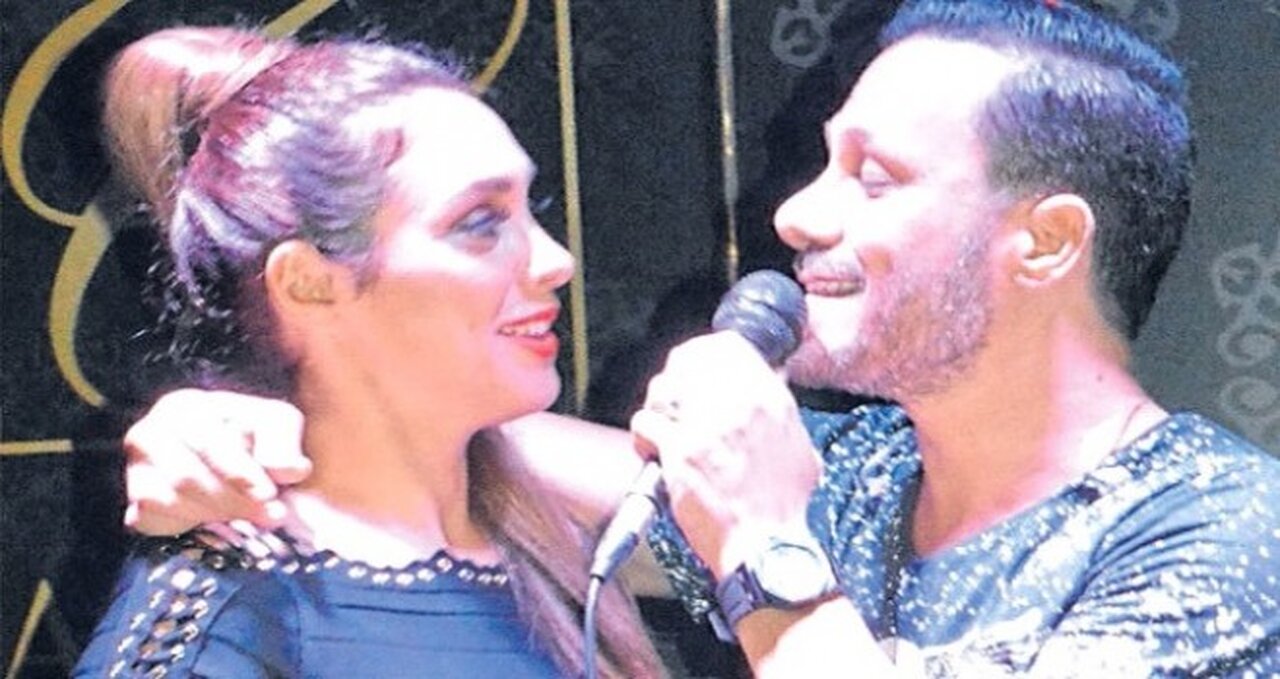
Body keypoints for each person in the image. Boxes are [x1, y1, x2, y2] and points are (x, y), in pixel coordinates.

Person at [118, 1, 1280, 676]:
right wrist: (241, 421)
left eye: (872, 177)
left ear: (1043, 241)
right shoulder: (861, 476)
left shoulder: (1221, 536)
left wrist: (764, 543)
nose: (798, 214)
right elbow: (446, 437)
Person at [73, 26, 663, 678]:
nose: (556, 260)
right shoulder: (227, 604)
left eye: (532, 207)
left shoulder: (547, 534)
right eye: (479, 222)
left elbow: (746, 509)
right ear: (308, 282)